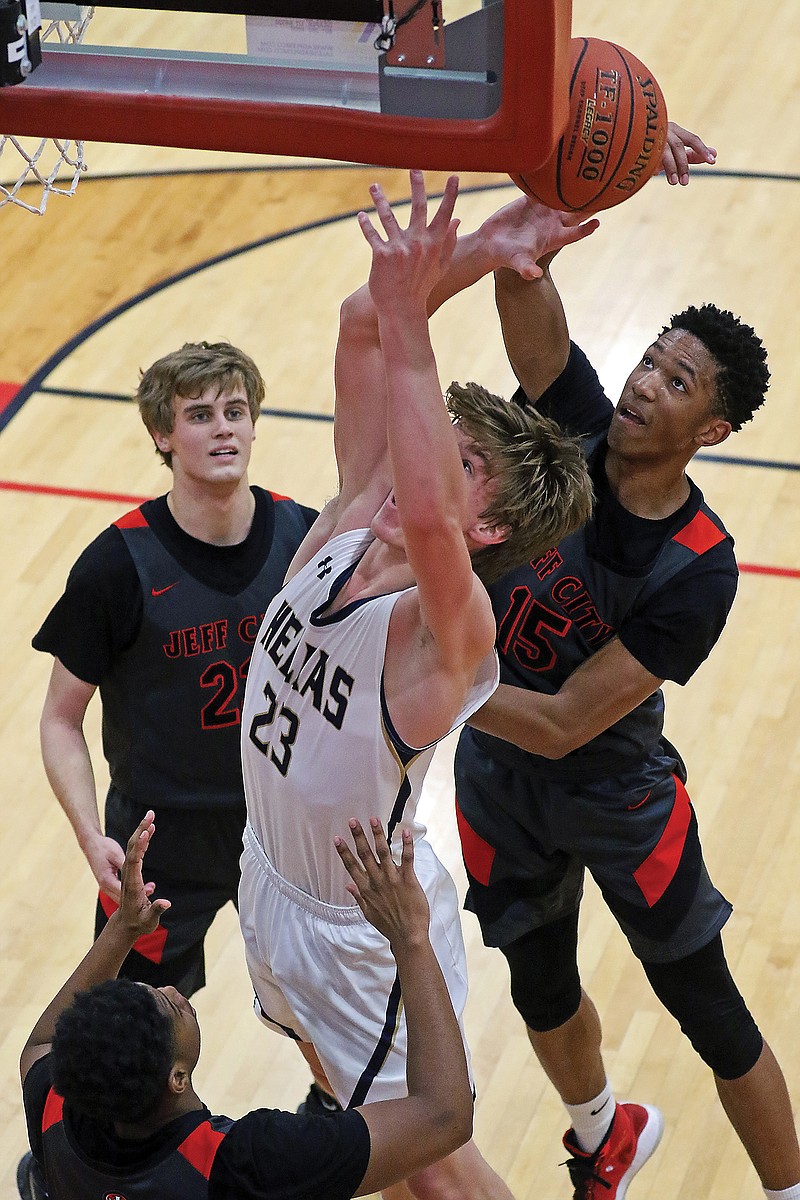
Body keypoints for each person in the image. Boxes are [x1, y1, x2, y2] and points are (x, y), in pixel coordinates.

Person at [238, 169, 595, 1200]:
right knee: (373, 1153)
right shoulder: (354, 513)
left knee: (433, 1171)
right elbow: (360, 329)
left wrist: (411, 316)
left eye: (455, 462)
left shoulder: (452, 635)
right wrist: (485, 247)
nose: (418, 458)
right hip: (276, 882)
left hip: (366, 935)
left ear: (488, 529)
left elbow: (432, 516)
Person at [452, 198, 800, 1199]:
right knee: (538, 978)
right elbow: (522, 299)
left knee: (705, 1006)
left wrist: (425, 692)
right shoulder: (571, 431)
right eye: (650, 358)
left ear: (714, 426)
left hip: (611, 787)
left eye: (676, 380)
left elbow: (566, 722)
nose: (646, 382)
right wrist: (536, 224)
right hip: (497, 779)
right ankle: (602, 1136)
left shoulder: (697, 566)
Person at [31, 340, 316, 1001]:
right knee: (138, 1027)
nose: (223, 428)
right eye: (200, 415)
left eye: (236, 410)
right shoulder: (115, 565)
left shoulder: (303, 538)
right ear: (162, 434)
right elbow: (60, 719)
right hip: (160, 843)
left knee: (317, 1009)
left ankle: (331, 1106)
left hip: (279, 824)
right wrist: (87, 833)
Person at [19, 809, 476, 1199]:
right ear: (176, 1078)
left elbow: (39, 1046)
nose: (174, 992)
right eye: (170, 1008)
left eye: (152, 989)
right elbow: (445, 1117)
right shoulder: (251, 1166)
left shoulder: (61, 1118)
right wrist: (410, 936)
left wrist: (123, 928)